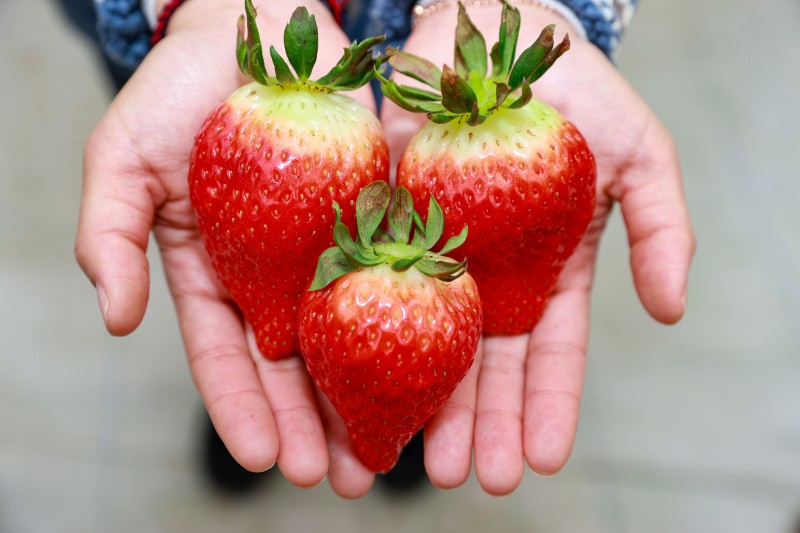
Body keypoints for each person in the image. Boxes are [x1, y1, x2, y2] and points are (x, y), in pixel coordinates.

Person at [71, 0, 695, 498]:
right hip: (195, 29)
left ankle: (402, 423)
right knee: (274, 317)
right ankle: (346, 399)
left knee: (377, 340)